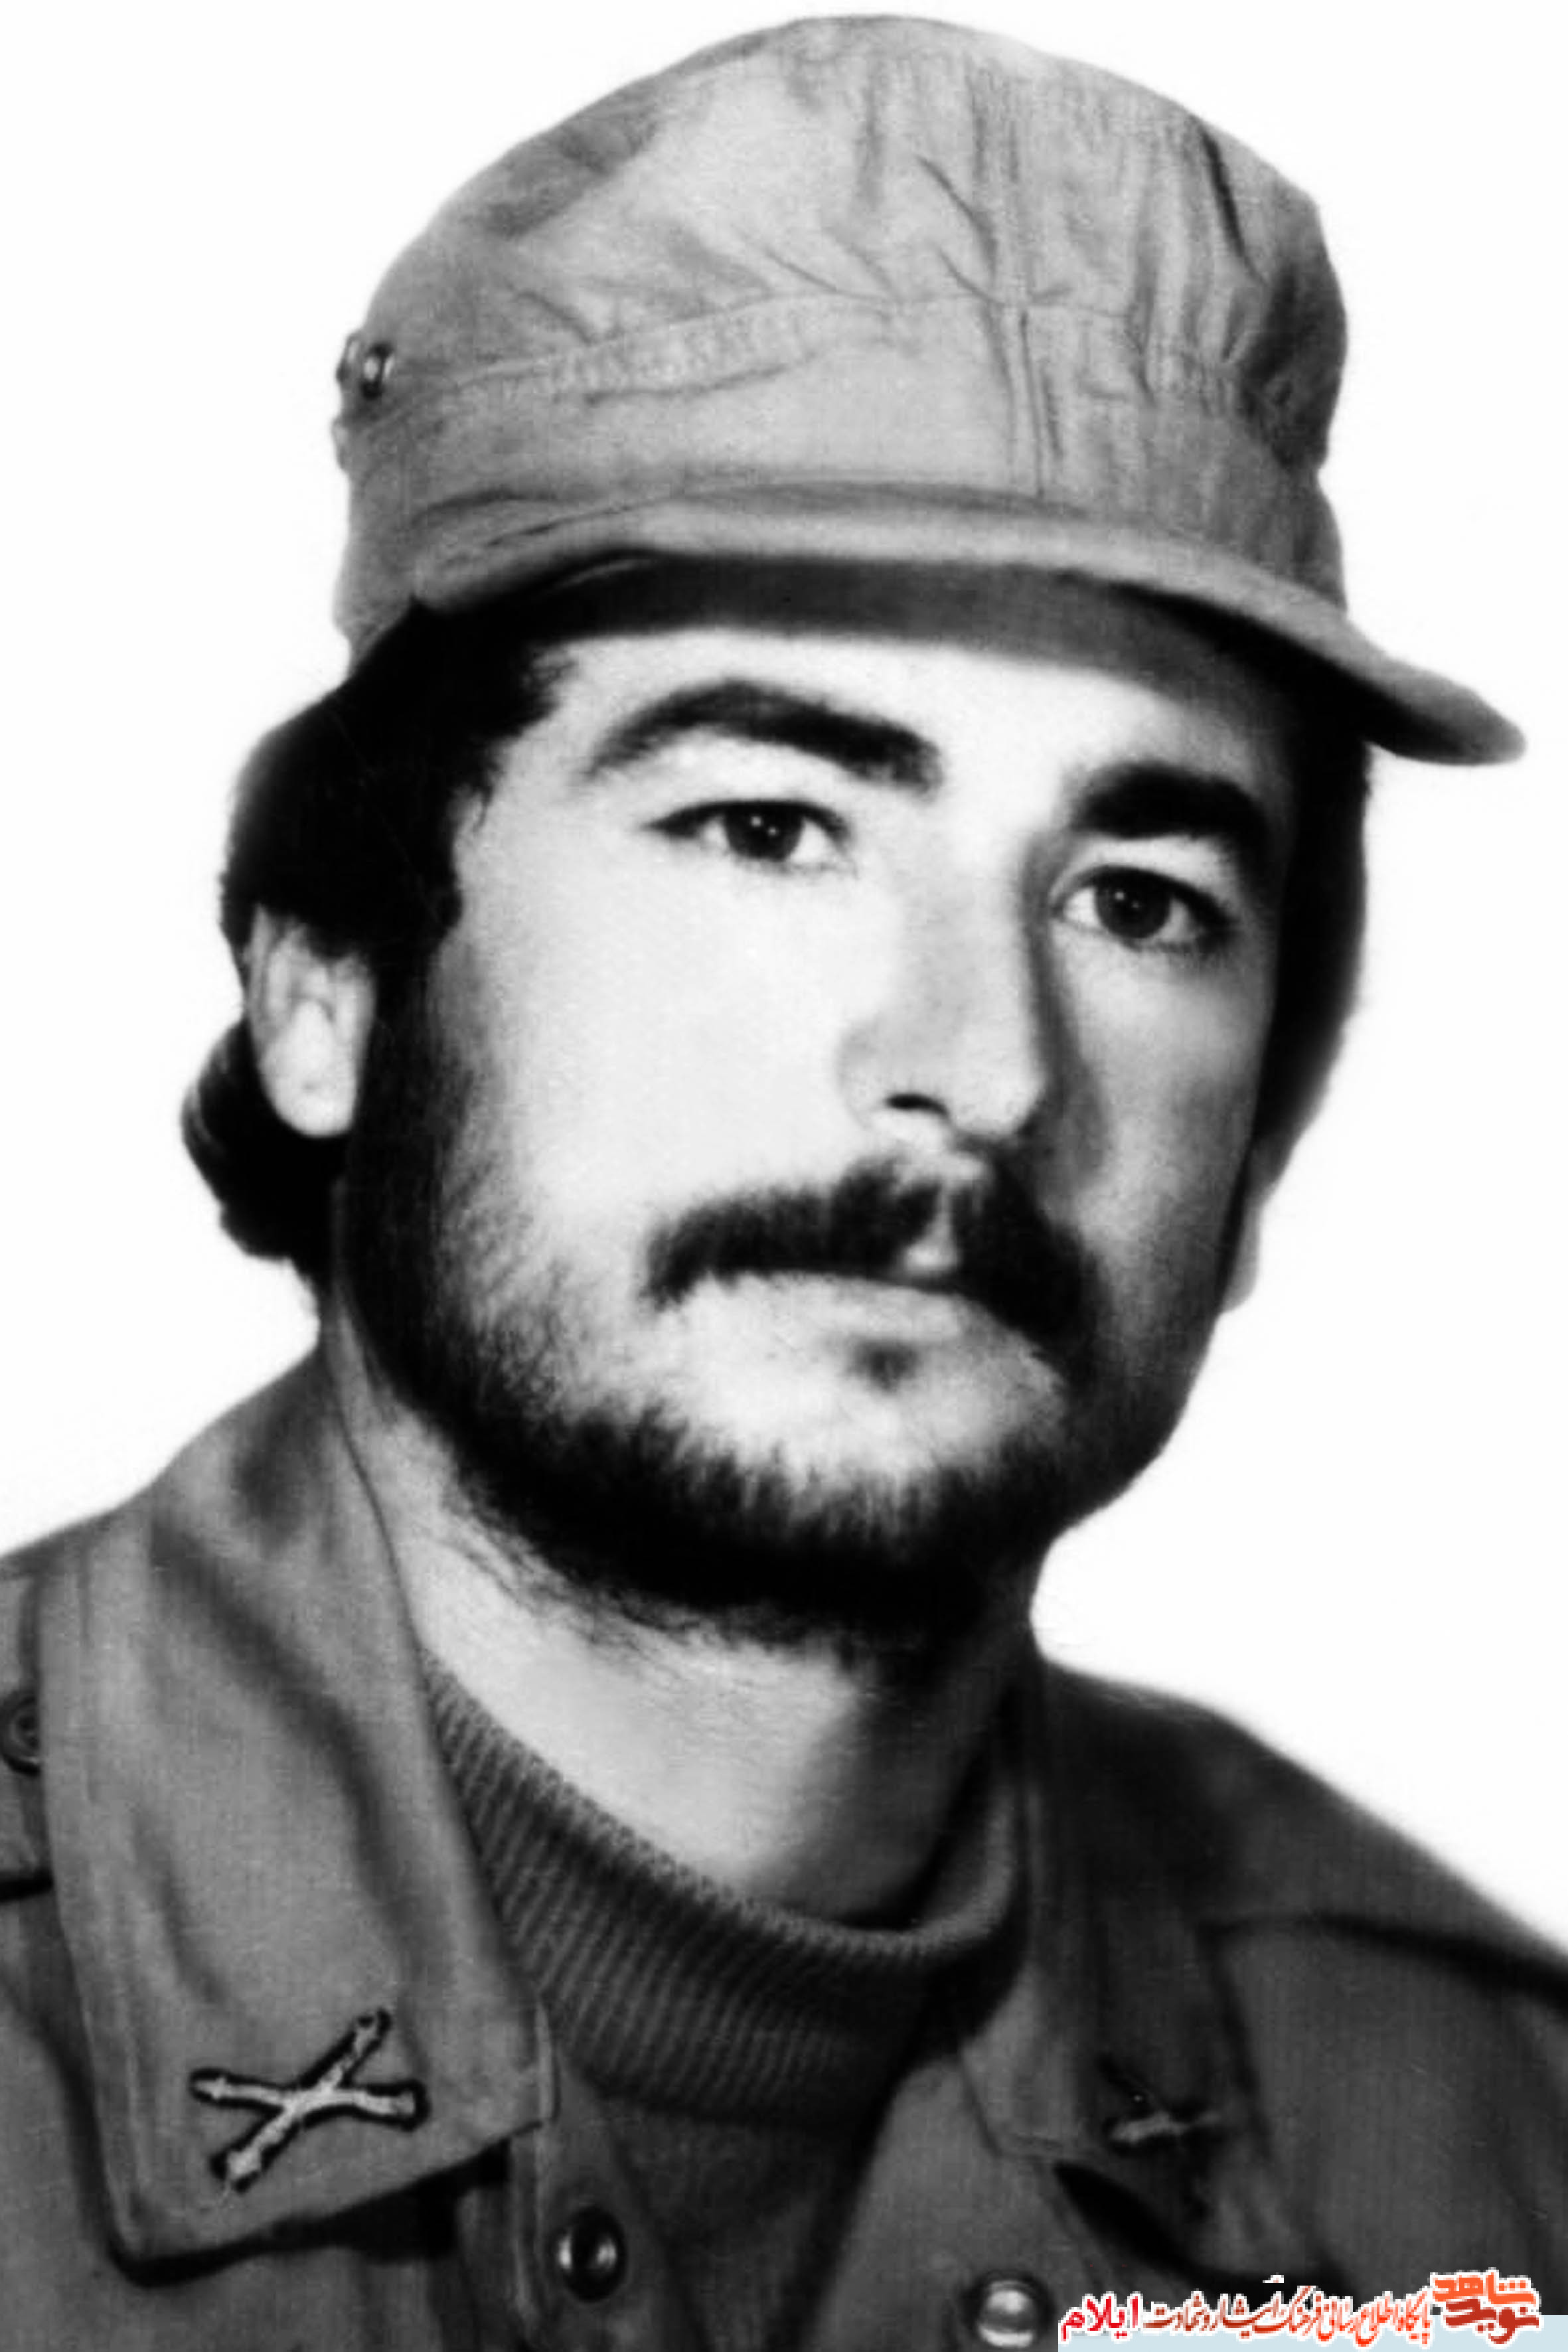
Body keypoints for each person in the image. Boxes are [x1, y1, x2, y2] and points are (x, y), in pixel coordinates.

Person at [1, 18, 1562, 2347]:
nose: (981, 1065)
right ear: (328, 991)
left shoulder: (1475, 2142)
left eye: (1135, 899)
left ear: (1260, 1146)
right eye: (769, 826)